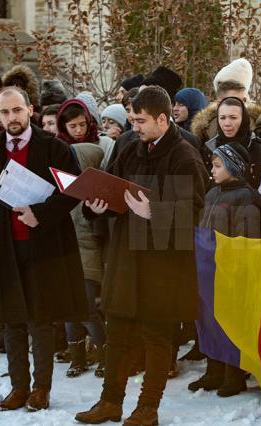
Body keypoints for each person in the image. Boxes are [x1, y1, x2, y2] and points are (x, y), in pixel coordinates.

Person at [75, 86, 207, 426]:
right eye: (132, 119)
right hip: (125, 256)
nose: (135, 126)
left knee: (157, 336)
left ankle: (148, 408)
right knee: (117, 332)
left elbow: (194, 213)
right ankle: (110, 402)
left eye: (141, 120)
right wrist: (97, 205)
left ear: (162, 119)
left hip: (164, 264)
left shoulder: (184, 154)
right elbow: (114, 190)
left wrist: (154, 212)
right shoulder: (132, 149)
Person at [0, 86, 87, 412]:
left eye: (17, 110)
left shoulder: (53, 148)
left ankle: (41, 388)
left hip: (43, 245)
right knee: (12, 320)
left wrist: (41, 214)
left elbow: (74, 188)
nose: (12, 118)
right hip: (4, 248)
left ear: (30, 110)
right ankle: (19, 387)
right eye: (5, 112)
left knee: (41, 319)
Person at [190, 142, 261, 396]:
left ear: (234, 167)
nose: (212, 170)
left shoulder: (246, 196)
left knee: (230, 322)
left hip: (230, 271)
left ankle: (234, 375)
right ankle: (214, 370)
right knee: (208, 320)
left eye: (218, 165)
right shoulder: (212, 193)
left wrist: (237, 267)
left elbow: (249, 239)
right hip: (207, 269)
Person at [64, 141, 109, 379]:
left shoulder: (96, 196)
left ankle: (105, 354)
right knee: (69, 311)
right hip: (68, 259)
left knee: (87, 309)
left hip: (88, 259)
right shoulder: (67, 192)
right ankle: (77, 357)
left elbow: (100, 233)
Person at [203, 96, 261, 189]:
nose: (227, 123)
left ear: (244, 119)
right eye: (222, 118)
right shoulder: (208, 149)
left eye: (233, 117)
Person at [56, 99, 115, 170]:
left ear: (88, 122)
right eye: (72, 126)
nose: (79, 130)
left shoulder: (106, 144)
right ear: (63, 126)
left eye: (82, 124)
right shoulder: (58, 147)